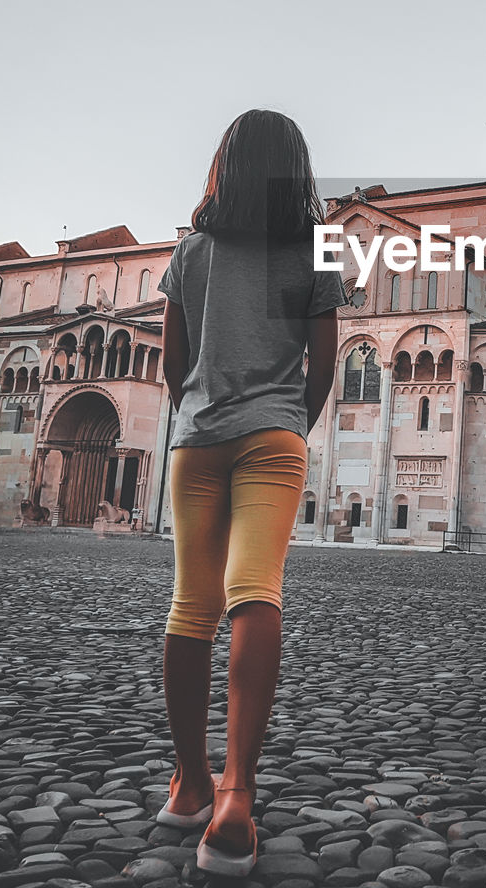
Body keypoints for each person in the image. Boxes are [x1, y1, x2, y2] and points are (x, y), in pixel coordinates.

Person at [156, 109, 345, 878]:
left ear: (224, 168)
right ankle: (236, 796)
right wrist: (290, 423)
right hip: (274, 434)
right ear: (296, 173)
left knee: (189, 607)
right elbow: (325, 363)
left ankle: (190, 784)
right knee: (254, 590)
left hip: (196, 439)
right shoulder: (316, 250)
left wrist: (199, 408)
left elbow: (173, 363)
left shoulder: (190, 251)